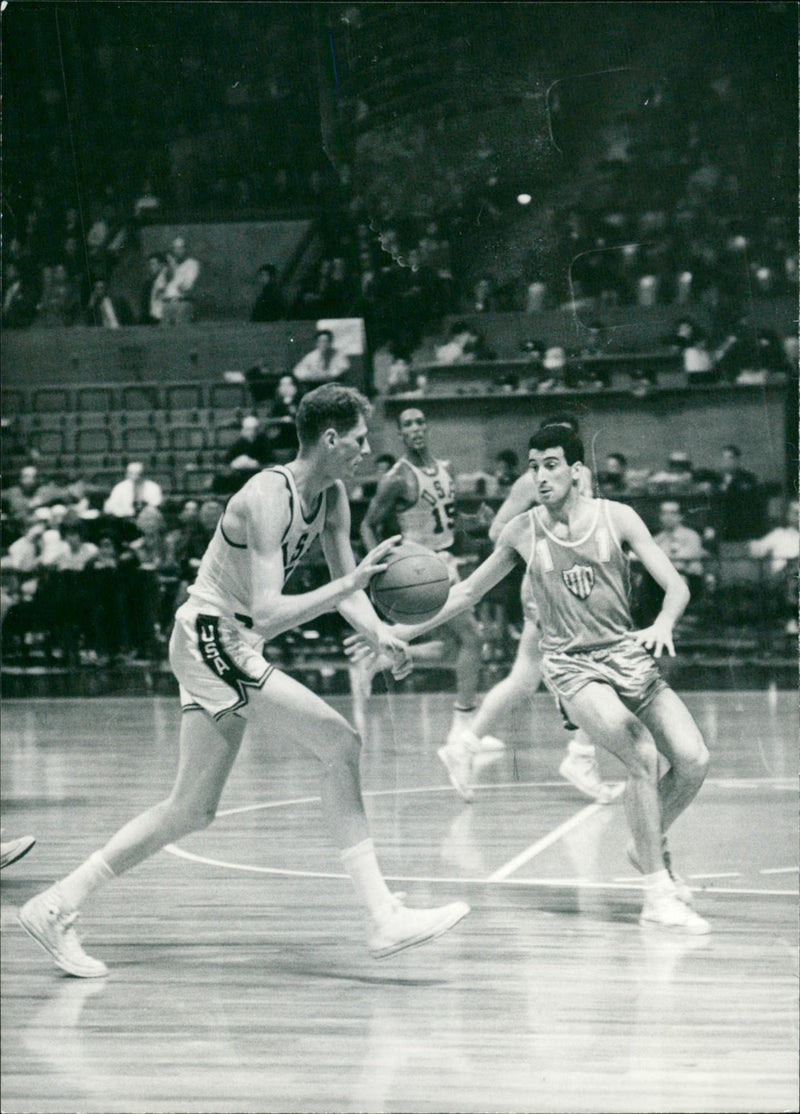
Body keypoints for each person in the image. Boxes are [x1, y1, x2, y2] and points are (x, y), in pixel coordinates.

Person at [18, 384, 469, 977]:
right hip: (213, 635)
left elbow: (343, 587)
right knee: (340, 743)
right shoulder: (265, 496)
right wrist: (353, 584)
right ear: (331, 439)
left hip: (228, 640)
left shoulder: (333, 496)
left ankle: (55, 904)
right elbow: (272, 610)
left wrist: (381, 632)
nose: (366, 450)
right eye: (360, 439)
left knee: (190, 810)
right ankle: (382, 914)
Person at [350, 424, 711, 934]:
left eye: (550, 465)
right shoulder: (524, 529)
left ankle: (642, 844)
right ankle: (656, 892)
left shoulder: (618, 518)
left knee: (694, 759)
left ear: (576, 471)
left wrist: (664, 623)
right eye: (533, 466)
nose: (540, 476)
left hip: (625, 654)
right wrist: (395, 629)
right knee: (641, 751)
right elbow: (466, 593)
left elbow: (674, 584)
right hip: (570, 664)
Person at [437, 415, 614, 803]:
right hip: (546, 584)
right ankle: (581, 756)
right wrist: (539, 536)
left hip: (576, 583)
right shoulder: (530, 484)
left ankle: (464, 745)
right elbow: (497, 530)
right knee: (590, 670)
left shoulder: (580, 476)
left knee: (524, 677)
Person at [358, 407, 484, 749]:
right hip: (419, 569)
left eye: (419, 422)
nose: (415, 428)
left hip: (446, 562)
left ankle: (378, 657)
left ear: (427, 428)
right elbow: (367, 524)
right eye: (407, 424)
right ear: (400, 433)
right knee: (472, 639)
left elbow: (450, 520)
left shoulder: (446, 469)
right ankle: (464, 727)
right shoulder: (397, 477)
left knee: (453, 648)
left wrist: (473, 524)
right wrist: (379, 566)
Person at [161, 235, 200, 324]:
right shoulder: (169, 266)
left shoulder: (192, 264)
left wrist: (175, 268)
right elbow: (165, 284)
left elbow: (185, 287)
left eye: (180, 248)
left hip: (182, 303)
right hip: (167, 303)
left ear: (186, 249)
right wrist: (171, 267)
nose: (178, 251)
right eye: (175, 248)